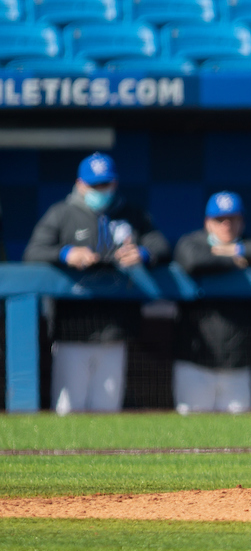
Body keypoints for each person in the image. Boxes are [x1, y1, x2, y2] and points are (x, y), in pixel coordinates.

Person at [23, 153, 170, 414]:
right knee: (69, 410)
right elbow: (33, 252)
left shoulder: (131, 213)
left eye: (106, 184)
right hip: (72, 328)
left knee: (107, 410)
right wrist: (67, 253)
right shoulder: (62, 213)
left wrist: (143, 254)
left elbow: (161, 245)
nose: (102, 190)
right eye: (95, 185)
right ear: (80, 184)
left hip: (116, 327)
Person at [173, 192, 251, 414]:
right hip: (195, 363)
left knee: (238, 439)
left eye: (232, 219)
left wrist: (238, 250)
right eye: (220, 220)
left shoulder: (248, 245)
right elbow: (191, 259)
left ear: (242, 222)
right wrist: (231, 261)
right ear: (208, 222)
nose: (226, 225)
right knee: (189, 438)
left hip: (238, 365)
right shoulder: (193, 243)